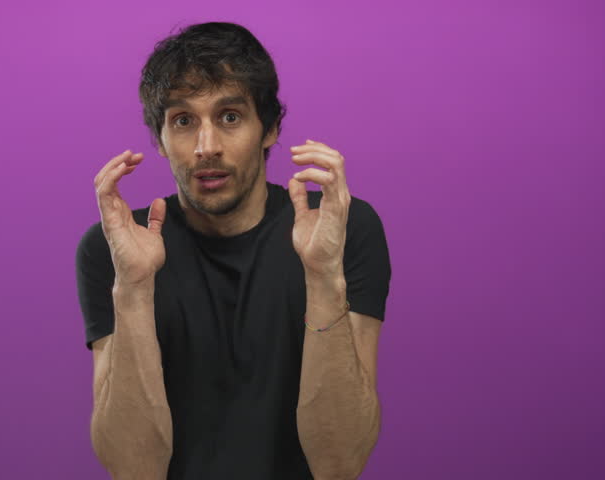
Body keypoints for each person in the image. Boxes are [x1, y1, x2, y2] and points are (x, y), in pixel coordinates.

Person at [76, 21, 392, 480]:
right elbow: (133, 468)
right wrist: (133, 288)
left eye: (229, 117)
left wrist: (323, 275)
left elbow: (340, 463)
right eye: (183, 121)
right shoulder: (112, 247)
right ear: (159, 139)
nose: (206, 148)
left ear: (270, 128)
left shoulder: (343, 227)